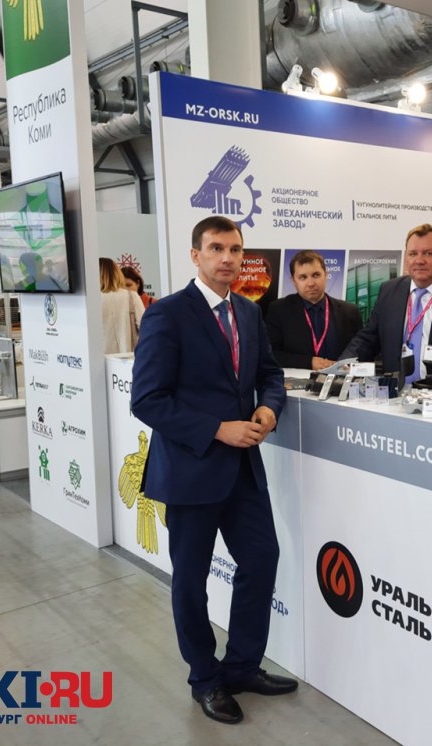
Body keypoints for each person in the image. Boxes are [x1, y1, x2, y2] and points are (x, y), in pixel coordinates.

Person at [130, 216, 294, 726]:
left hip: (243, 470)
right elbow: (147, 399)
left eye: (235, 249)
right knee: (191, 581)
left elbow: (269, 374)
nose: (227, 258)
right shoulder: (167, 314)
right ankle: (205, 678)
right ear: (195, 255)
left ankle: (242, 666)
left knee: (261, 560)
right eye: (216, 248)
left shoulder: (248, 311)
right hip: (191, 470)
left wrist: (268, 408)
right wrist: (218, 429)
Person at [340, 224, 432, 383]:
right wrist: (342, 366)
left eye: (428, 253)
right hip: (394, 392)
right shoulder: (389, 291)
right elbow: (368, 338)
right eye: (413, 253)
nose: (419, 260)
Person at [264, 250, 361, 370]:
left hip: (339, 379)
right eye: (303, 277)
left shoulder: (350, 312)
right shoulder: (278, 310)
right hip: (295, 380)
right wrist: (308, 362)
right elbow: (271, 353)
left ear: (326, 275)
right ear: (293, 280)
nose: (310, 283)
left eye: (316, 275)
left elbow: (360, 351)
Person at [100, 257, 144, 354]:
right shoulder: (131, 296)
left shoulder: (89, 301)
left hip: (97, 358)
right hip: (128, 358)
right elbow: (145, 327)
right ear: (117, 273)